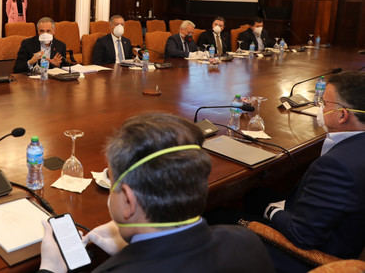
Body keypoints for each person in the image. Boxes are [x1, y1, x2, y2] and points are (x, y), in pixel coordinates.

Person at [39, 113, 274, 273]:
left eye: (111, 179)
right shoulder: (246, 242)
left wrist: (49, 269)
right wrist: (133, 251)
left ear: (128, 201)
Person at [261, 71, 365, 272]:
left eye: (325, 103)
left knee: (223, 216)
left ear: (343, 114)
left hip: (318, 256)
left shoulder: (338, 166)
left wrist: (272, 211)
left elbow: (303, 235)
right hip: (347, 229)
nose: (320, 108)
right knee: (257, 195)